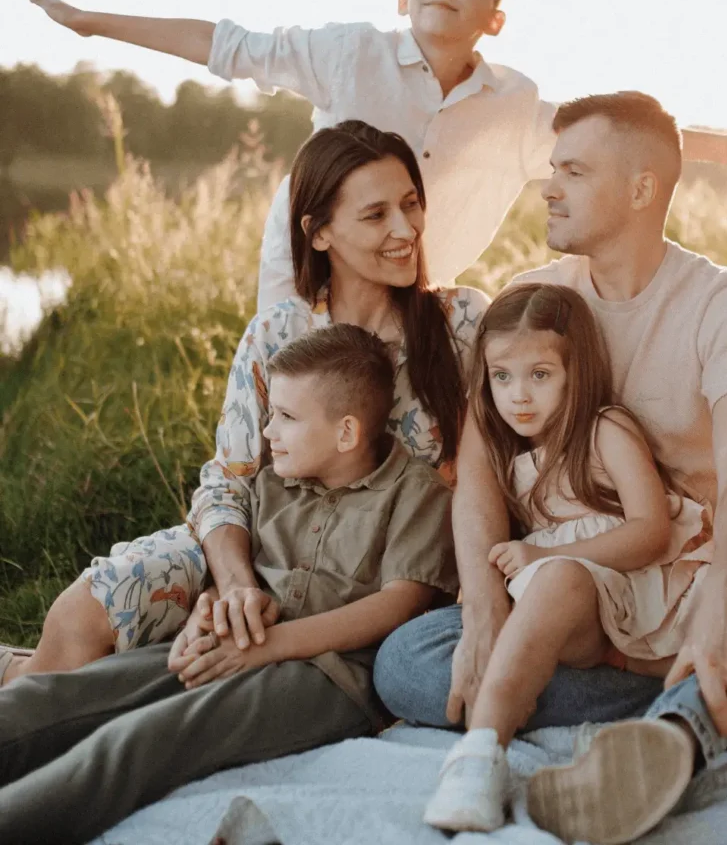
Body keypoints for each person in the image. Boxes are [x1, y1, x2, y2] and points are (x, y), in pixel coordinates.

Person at [374, 92, 727, 845]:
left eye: (572, 171)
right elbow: (479, 473)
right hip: (582, 599)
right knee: (407, 662)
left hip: (700, 575)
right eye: (551, 168)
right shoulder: (531, 303)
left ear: (641, 188)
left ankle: (679, 732)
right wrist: (482, 610)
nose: (547, 186)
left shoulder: (726, 306)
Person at [28, 0, 727, 314]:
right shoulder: (348, 53)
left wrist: (716, 147)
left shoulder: (511, 104)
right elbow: (225, 45)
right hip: (308, 270)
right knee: (294, 408)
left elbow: (607, 139)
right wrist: (93, 22)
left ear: (495, 16)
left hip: (416, 292)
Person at [0, 120, 487, 686]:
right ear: (320, 233)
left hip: (386, 568)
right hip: (261, 548)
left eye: (410, 204)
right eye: (376, 214)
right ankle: (23, 682)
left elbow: (492, 471)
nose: (407, 228)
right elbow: (228, 482)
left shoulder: (465, 324)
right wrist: (234, 587)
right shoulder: (277, 333)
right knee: (89, 609)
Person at [0, 322, 460, 845]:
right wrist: (208, 613)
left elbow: (397, 606)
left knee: (143, 739)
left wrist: (269, 648)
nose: (267, 433)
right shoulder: (275, 483)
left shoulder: (417, 494)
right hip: (237, 643)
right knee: (61, 695)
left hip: (327, 678)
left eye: (285, 417)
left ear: (347, 433)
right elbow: (240, 582)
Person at [423, 283, 714, 833]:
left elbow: (650, 531)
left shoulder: (606, 429)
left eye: (540, 375)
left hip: (647, 590)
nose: (519, 397)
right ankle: (483, 752)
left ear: (575, 372)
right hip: (590, 626)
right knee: (411, 655)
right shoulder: (513, 459)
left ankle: (483, 748)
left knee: (555, 578)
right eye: (502, 377)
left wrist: (545, 553)